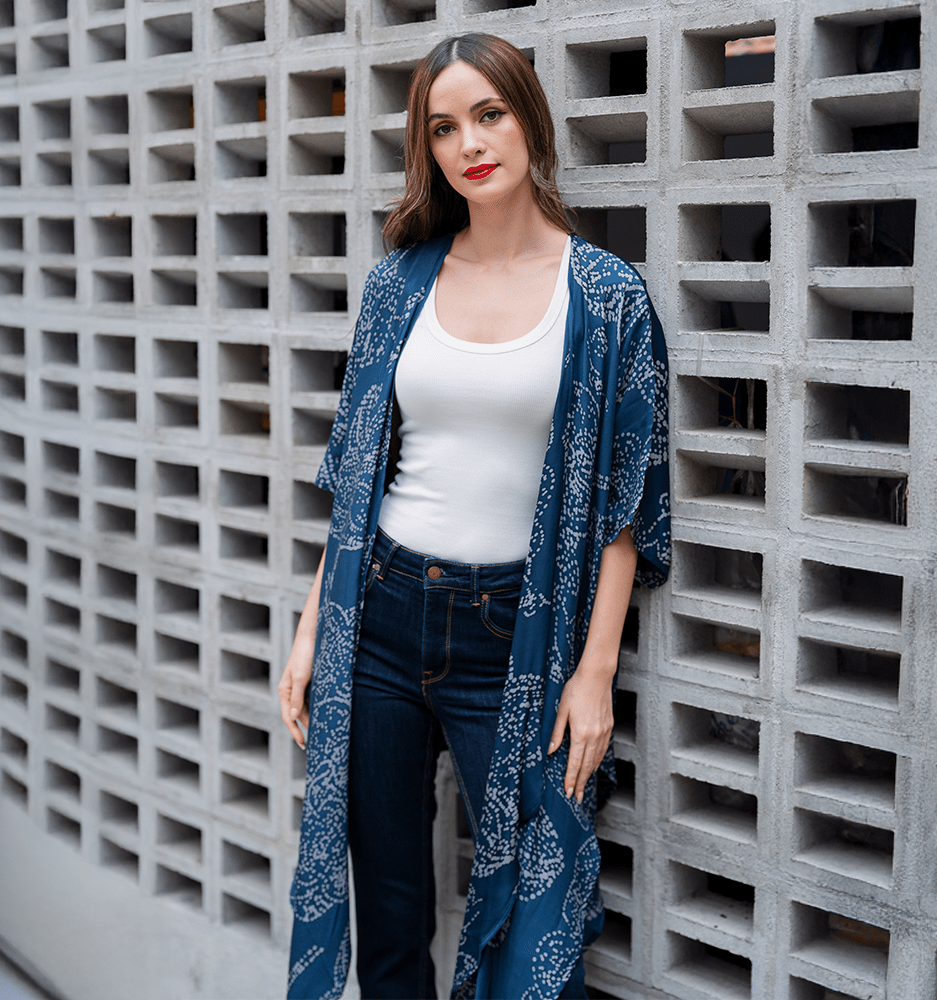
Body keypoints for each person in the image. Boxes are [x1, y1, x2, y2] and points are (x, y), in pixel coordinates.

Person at [280, 32, 670, 1000]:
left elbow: (625, 508)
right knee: (392, 909)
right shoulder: (397, 282)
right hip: (378, 617)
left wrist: (594, 672)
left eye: (488, 115)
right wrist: (310, 632)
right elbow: (357, 473)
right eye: (443, 127)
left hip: (515, 635)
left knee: (523, 913)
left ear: (529, 117)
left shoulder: (607, 297)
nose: (470, 144)